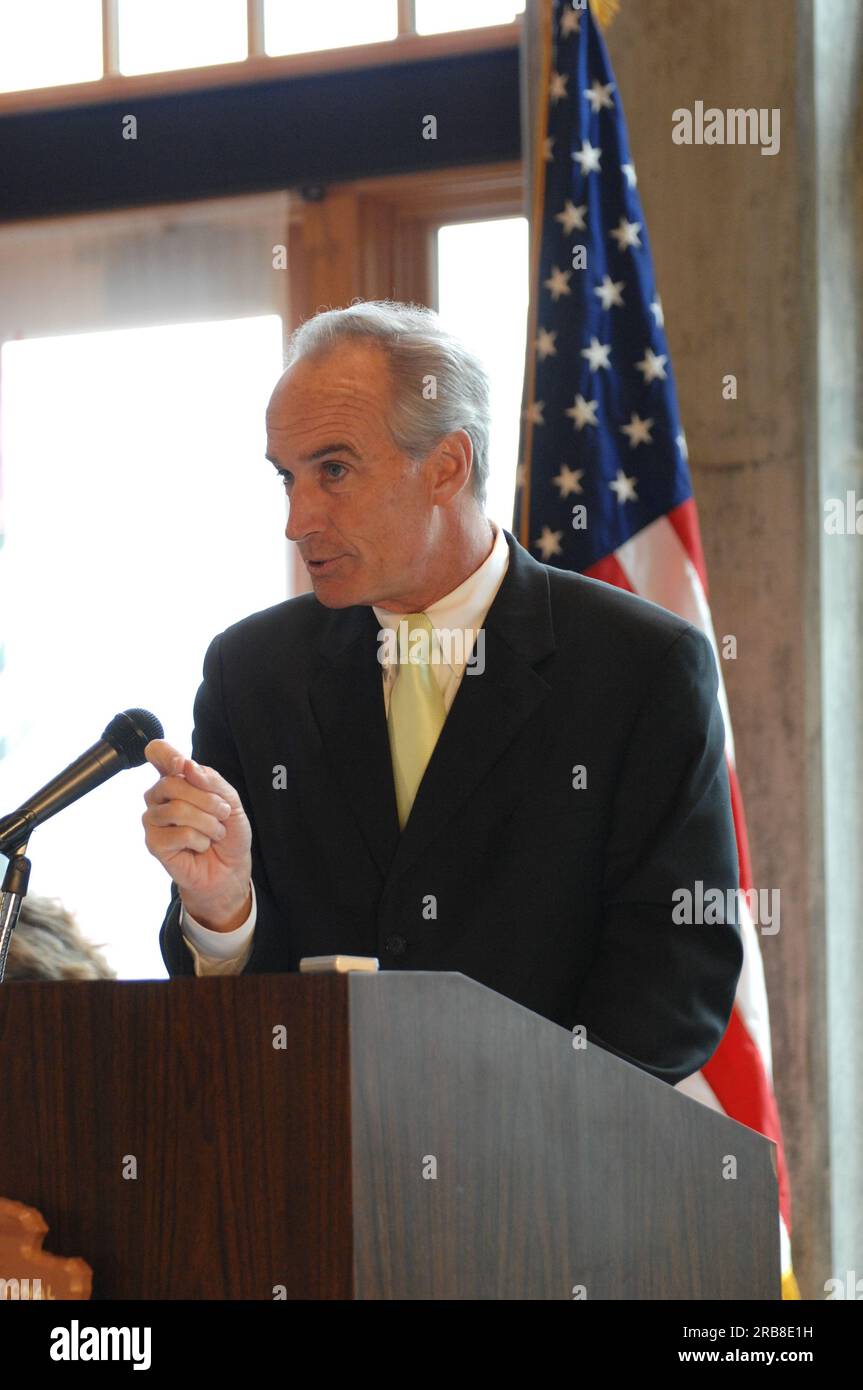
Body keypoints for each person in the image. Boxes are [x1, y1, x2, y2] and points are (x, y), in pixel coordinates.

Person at [144, 300, 743, 1087]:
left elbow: (674, 980)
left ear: (447, 467)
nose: (296, 519)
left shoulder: (640, 666)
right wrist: (223, 910)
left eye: (333, 470)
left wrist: (498, 1133)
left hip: (549, 1183)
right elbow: (222, 1006)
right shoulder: (251, 671)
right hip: (307, 1169)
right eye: (285, 477)